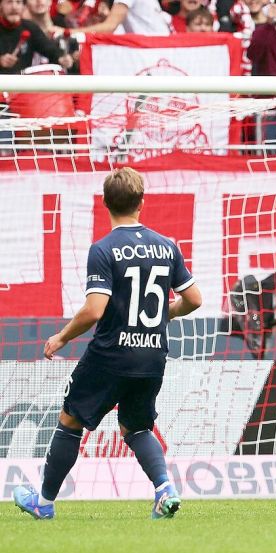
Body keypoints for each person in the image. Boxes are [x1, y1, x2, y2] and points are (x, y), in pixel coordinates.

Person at [12, 168, 202, 520]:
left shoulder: (103, 250)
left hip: (110, 356)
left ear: (105, 204)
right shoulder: (167, 246)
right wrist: (166, 314)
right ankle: (165, 489)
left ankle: (44, 502)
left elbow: (95, 309)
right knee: (137, 427)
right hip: (151, 356)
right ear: (142, 203)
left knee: (70, 421)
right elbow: (194, 299)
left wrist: (62, 337)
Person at [0, 0, 72, 74]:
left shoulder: (30, 27)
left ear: (24, 6)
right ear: (0, 6)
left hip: (22, 82)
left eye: (18, 2)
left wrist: (61, 58)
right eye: (9, 2)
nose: (14, 7)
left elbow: (48, 48)